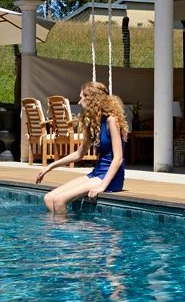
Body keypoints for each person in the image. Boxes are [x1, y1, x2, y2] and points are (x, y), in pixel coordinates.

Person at [35, 81, 128, 213]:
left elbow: (118, 158)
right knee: (49, 198)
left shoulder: (111, 121)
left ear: (92, 99)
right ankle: (58, 230)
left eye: (82, 97)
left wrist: (102, 186)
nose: (79, 102)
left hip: (110, 177)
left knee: (59, 200)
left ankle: (65, 233)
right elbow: (79, 154)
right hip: (97, 173)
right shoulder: (94, 123)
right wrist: (50, 167)